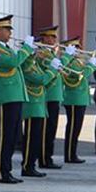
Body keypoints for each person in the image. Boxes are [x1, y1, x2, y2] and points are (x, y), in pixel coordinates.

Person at [0, 15, 32, 184]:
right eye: (7, 29)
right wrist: (26, 49)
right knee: (5, 137)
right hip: (6, 99)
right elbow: (13, 62)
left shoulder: (7, 48)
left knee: (13, 137)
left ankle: (7, 171)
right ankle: (1, 172)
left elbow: (19, 62)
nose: (9, 33)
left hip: (15, 97)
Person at [20, 43, 57, 178]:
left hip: (39, 105)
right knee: (31, 138)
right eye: (34, 51)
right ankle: (27, 166)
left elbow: (46, 83)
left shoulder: (34, 65)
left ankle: (31, 165)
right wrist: (52, 70)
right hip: (32, 106)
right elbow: (40, 79)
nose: (37, 52)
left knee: (36, 139)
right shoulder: (26, 66)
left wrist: (55, 73)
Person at [61, 37, 96, 163]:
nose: (80, 50)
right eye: (76, 48)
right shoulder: (71, 62)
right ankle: (69, 155)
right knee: (73, 127)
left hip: (79, 98)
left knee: (76, 127)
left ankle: (72, 153)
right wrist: (91, 67)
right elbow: (78, 76)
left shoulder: (77, 61)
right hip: (73, 98)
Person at [38, 25, 62, 169]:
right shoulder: (41, 53)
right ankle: (44, 158)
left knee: (52, 129)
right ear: (45, 38)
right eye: (51, 37)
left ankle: (48, 157)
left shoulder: (51, 54)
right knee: (46, 129)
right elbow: (43, 73)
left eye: (54, 37)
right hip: (47, 96)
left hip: (55, 96)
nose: (54, 40)